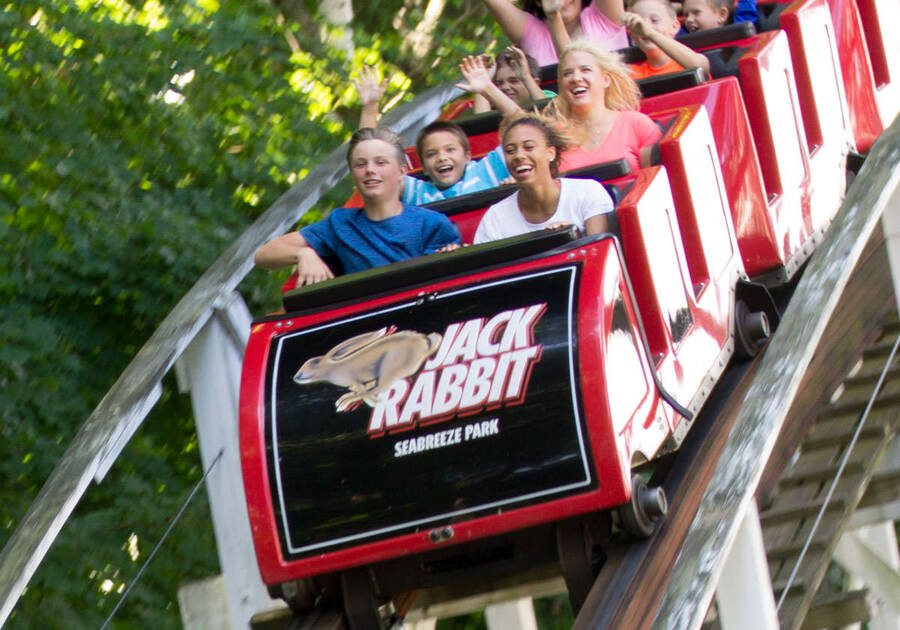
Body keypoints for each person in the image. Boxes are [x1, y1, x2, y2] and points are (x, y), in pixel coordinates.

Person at [254, 127, 460, 286]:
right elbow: (263, 255)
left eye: (381, 163)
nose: (370, 170)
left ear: (401, 171)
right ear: (353, 175)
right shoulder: (340, 224)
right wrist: (303, 253)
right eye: (360, 165)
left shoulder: (432, 223)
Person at [459, 43, 661, 173]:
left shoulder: (637, 124)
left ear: (605, 79)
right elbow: (520, 118)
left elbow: (653, 181)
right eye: (567, 73)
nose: (575, 78)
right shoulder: (554, 131)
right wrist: (486, 88)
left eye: (585, 70)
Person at [354, 67, 513, 204]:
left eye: (450, 150)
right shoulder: (418, 192)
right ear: (423, 167)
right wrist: (370, 108)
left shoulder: (488, 169)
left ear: (467, 156)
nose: (442, 158)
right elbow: (368, 161)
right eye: (431, 154)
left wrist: (487, 88)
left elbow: (526, 128)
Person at [474, 113, 615, 243]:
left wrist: (574, 237)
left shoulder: (587, 191)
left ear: (551, 153)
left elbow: (598, 251)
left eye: (529, 147)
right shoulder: (495, 217)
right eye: (510, 151)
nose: (518, 156)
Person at [480, 0, 628, 66]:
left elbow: (574, 65)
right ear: (538, 2)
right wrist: (552, 16)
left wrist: (554, 16)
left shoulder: (605, 16)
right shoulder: (531, 32)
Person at [623, 0, 710, 78]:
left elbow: (700, 66)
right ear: (631, 33)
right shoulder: (633, 73)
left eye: (654, 20)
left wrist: (651, 34)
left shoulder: (689, 60)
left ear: (674, 26)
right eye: (638, 24)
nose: (645, 27)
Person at [472, 46, 557, 114]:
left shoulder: (548, 96)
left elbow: (549, 115)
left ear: (535, 83)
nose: (505, 87)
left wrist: (525, 76)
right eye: (499, 83)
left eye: (514, 81)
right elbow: (481, 124)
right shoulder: (492, 105)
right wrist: (483, 81)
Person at [681, 0, 757, 33]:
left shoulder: (739, 31)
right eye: (686, 15)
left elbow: (747, 6)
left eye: (696, 12)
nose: (688, 20)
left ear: (722, 15)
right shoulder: (684, 42)